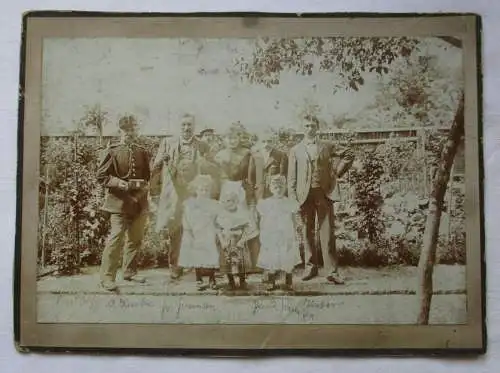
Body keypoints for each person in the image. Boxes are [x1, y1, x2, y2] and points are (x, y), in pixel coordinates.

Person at [288, 114, 354, 283]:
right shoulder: (295, 150)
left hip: (324, 193)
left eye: (312, 125)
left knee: (327, 233)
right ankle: (310, 268)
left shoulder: (327, 146)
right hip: (304, 195)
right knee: (307, 231)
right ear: (302, 128)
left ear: (317, 127)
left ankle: (331, 271)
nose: (309, 128)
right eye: (306, 125)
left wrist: (336, 173)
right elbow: (291, 178)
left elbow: (348, 154)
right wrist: (293, 199)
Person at [152, 113, 210, 280]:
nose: (186, 128)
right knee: (175, 229)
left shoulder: (202, 145)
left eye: (189, 125)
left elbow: (209, 168)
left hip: (195, 193)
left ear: (194, 126)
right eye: (183, 125)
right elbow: (154, 167)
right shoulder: (167, 143)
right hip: (174, 194)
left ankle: (197, 266)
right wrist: (162, 161)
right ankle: (175, 265)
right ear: (179, 126)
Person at [96, 115, 151, 291]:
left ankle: (129, 272)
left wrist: (142, 189)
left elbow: (147, 177)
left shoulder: (141, 151)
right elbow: (101, 176)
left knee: (135, 239)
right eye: (126, 130)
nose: (130, 133)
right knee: (116, 238)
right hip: (118, 203)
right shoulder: (112, 150)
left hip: (139, 203)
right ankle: (107, 277)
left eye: (133, 129)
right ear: (120, 131)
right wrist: (120, 183)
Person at [213, 123, 260, 271]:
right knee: (225, 225)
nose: (232, 141)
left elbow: (251, 175)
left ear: (239, 138)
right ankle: (225, 265)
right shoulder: (219, 155)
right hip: (225, 190)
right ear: (224, 139)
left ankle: (250, 264)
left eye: (234, 138)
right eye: (229, 138)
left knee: (246, 223)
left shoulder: (247, 153)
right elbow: (215, 176)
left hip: (241, 190)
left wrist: (250, 194)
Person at [256, 175, 302, 291]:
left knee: (287, 258)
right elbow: (263, 220)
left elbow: (293, 219)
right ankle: (272, 282)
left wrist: (296, 232)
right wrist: (263, 234)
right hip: (272, 235)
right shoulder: (266, 203)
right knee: (272, 258)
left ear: (285, 188)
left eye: (281, 187)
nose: (278, 189)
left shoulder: (289, 203)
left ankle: (288, 282)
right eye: (275, 187)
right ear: (270, 188)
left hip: (286, 234)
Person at [178, 175, 221, 291]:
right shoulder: (190, 204)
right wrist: (189, 230)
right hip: (196, 232)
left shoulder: (214, 204)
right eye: (201, 189)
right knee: (197, 255)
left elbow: (219, 219)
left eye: (206, 190)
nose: (204, 192)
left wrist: (218, 231)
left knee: (211, 255)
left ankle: (212, 278)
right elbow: (186, 219)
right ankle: (199, 278)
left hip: (209, 232)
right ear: (196, 190)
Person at [215, 184, 258, 290]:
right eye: (227, 201)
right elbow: (218, 229)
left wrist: (243, 240)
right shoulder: (222, 215)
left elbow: (247, 229)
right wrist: (222, 241)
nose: (229, 204)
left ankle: (242, 281)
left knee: (241, 263)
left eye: (232, 201)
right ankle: (231, 282)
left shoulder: (241, 214)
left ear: (236, 202)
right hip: (227, 241)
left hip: (239, 242)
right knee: (228, 262)